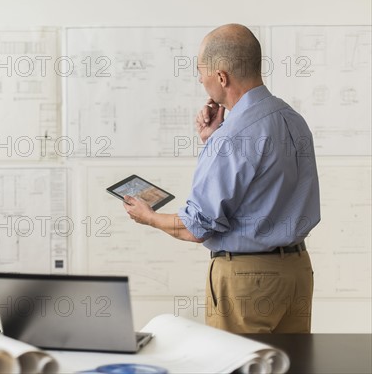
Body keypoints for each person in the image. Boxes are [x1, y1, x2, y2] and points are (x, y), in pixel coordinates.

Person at [123, 24, 320, 333]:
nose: (200, 79)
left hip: (247, 281)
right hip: (297, 272)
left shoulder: (232, 138)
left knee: (236, 364)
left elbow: (196, 227)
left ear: (222, 76)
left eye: (201, 72)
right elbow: (261, 182)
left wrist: (149, 217)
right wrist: (212, 140)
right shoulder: (293, 120)